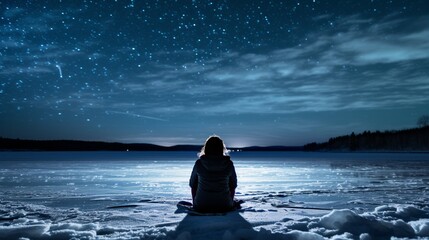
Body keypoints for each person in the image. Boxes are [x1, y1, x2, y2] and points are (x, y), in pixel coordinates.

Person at [189, 135, 237, 213]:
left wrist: (195, 203)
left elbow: (192, 184)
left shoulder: (199, 163)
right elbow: (233, 185)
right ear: (221, 148)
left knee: (196, 181)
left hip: (201, 205)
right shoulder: (228, 163)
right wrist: (230, 202)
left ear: (206, 148)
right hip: (225, 205)